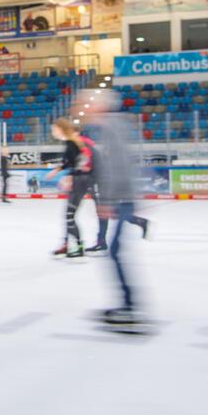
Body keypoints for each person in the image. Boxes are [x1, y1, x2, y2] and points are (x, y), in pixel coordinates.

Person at [84, 92, 143, 328]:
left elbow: (115, 165)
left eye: (88, 105)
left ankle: (129, 307)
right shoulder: (114, 125)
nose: (85, 109)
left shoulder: (111, 127)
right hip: (125, 196)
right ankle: (128, 304)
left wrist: (107, 200)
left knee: (116, 251)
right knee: (116, 251)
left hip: (124, 196)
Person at [50, 117, 93, 259]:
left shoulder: (72, 142)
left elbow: (79, 162)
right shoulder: (71, 142)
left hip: (80, 181)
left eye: (54, 129)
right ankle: (67, 245)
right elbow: (71, 161)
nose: (52, 132)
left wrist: (70, 177)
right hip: (79, 180)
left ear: (61, 128)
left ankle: (79, 248)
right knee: (68, 215)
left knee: (69, 216)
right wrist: (58, 170)